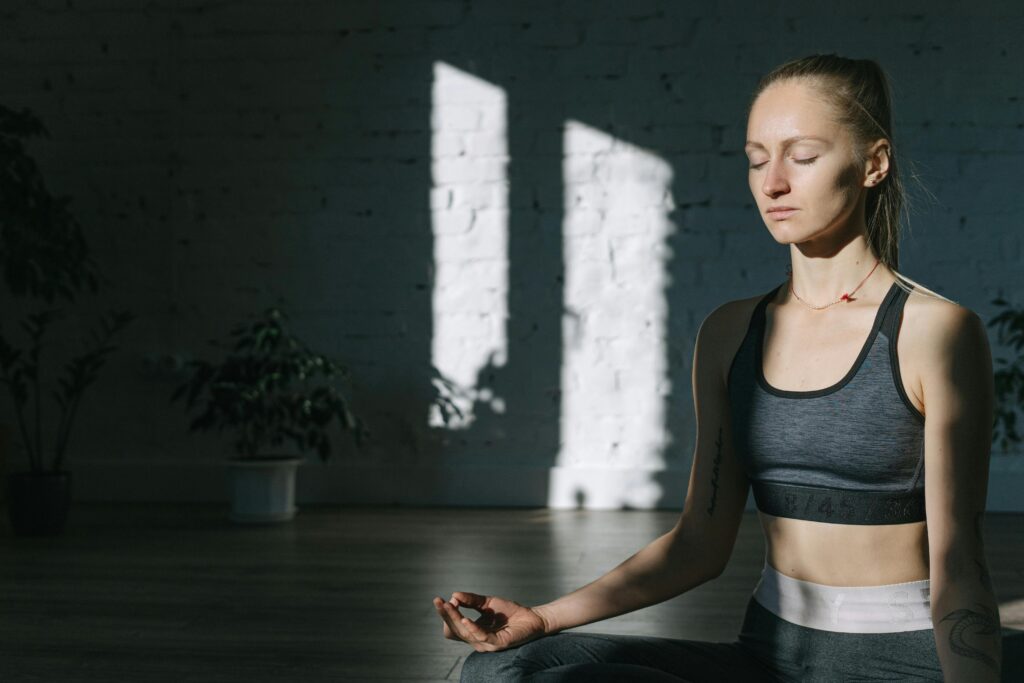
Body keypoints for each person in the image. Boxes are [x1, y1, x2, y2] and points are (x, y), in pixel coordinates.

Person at [432, 54, 1003, 682]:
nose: (773, 183)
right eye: (757, 159)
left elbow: (959, 565)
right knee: (500, 671)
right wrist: (541, 619)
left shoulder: (934, 331)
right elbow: (698, 544)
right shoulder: (731, 333)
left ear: (874, 163)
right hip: (768, 657)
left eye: (802, 157)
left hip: (895, 664)